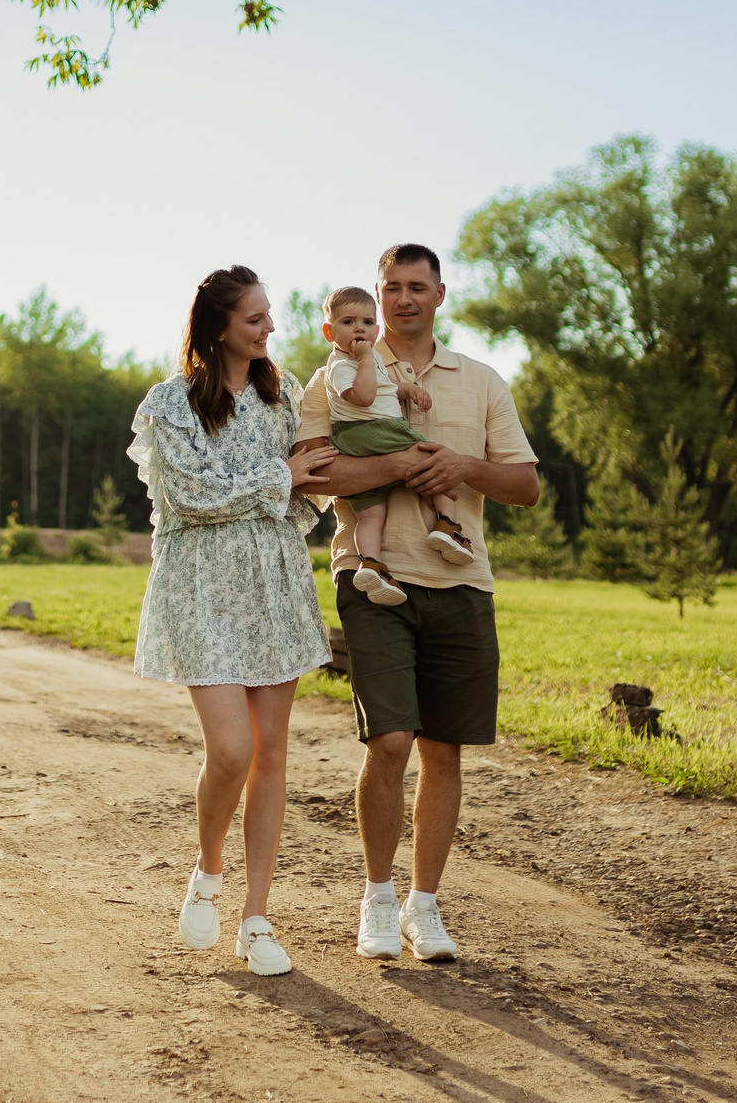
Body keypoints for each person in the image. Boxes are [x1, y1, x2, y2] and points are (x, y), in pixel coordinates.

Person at [293, 244, 541, 964]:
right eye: (390, 287)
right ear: (374, 296)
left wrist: (463, 466)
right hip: (374, 577)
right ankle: (375, 896)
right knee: (390, 740)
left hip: (463, 585)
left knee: (443, 749)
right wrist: (398, 464)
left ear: (439, 294)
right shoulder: (338, 372)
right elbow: (312, 470)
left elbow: (525, 486)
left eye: (416, 287)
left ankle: (422, 906)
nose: (402, 299)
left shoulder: (482, 381)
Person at [129, 265, 335, 977]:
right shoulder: (171, 404)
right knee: (231, 752)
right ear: (219, 329)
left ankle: (256, 918)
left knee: (272, 752)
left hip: (273, 584)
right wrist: (280, 481)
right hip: (200, 591)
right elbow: (192, 497)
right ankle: (207, 868)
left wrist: (293, 486)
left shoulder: (282, 404)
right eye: (254, 319)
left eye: (268, 316)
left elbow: (306, 504)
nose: (270, 328)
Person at [319, 285, 468, 610]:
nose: (359, 328)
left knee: (371, 514)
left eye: (367, 322)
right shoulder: (342, 364)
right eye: (348, 322)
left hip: (359, 442)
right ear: (329, 331)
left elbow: (384, 388)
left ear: (376, 328)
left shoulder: (368, 359)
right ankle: (448, 525)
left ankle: (372, 564)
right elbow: (365, 396)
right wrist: (365, 362)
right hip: (371, 433)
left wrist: (408, 390)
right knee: (437, 460)